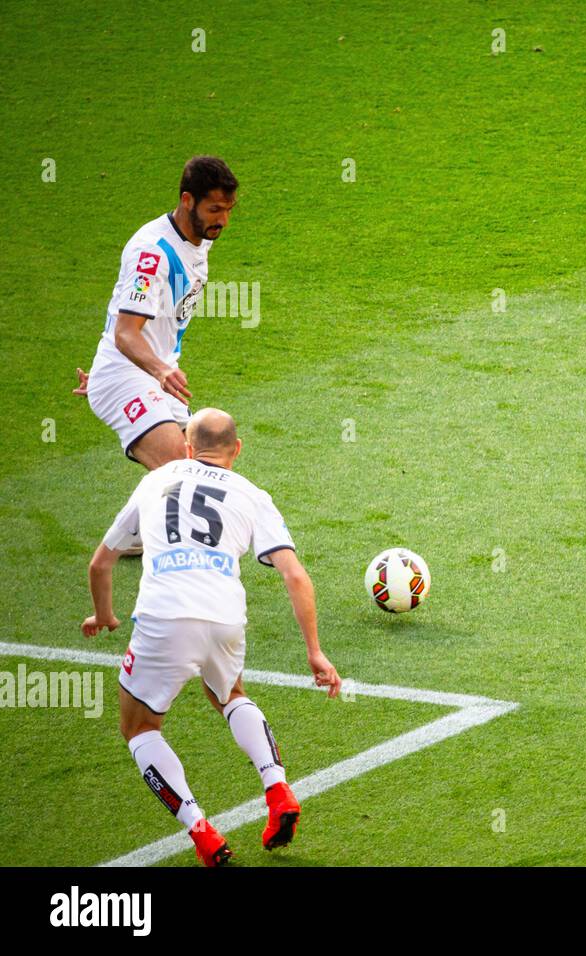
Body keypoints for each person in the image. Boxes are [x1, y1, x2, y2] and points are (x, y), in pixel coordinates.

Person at [81, 407, 342, 866]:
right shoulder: (252, 494)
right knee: (229, 692)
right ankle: (277, 788)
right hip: (225, 617)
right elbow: (295, 576)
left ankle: (202, 832)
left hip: (164, 617)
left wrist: (104, 615)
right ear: (236, 450)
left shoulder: (152, 481)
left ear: (185, 446)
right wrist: (315, 652)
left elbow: (100, 564)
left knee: (138, 727)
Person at [73, 156, 238, 472]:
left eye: (229, 210)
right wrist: (155, 371)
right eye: (215, 210)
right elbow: (125, 332)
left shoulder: (199, 237)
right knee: (178, 469)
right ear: (187, 200)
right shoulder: (151, 254)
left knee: (210, 470)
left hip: (154, 374)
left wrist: (159, 371)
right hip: (128, 376)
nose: (224, 221)